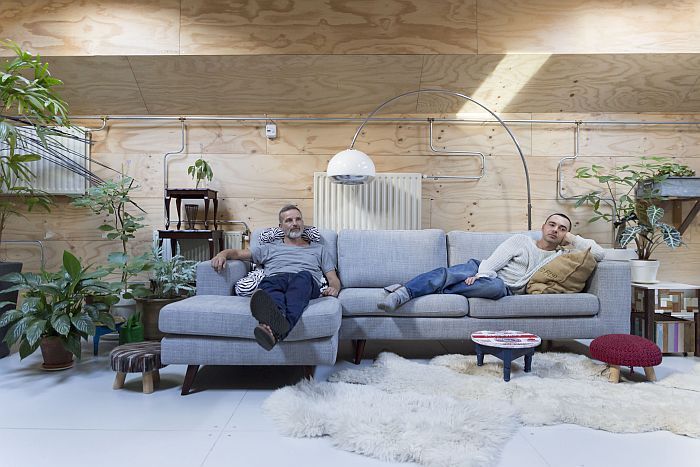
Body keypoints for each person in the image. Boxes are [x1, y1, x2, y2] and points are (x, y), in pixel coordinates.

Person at [378, 213, 605, 312]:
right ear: (543, 227)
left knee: (495, 287)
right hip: (482, 270)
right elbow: (492, 262)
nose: (555, 230)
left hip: (501, 287)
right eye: (552, 225)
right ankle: (404, 293)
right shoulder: (521, 241)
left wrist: (572, 239)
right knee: (450, 274)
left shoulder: (560, 256)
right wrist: (480, 275)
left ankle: (421, 289)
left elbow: (599, 254)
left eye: (562, 229)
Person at [211, 205, 341, 350]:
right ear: (281, 226)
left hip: (305, 283)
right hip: (276, 280)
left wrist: (333, 288)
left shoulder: (319, 249)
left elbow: (333, 278)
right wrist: (222, 254)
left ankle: (277, 327)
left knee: (303, 276)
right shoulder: (269, 248)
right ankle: (277, 326)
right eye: (289, 220)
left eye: (298, 219)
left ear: (303, 223)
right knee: (268, 283)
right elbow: (236, 253)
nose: (295, 223)